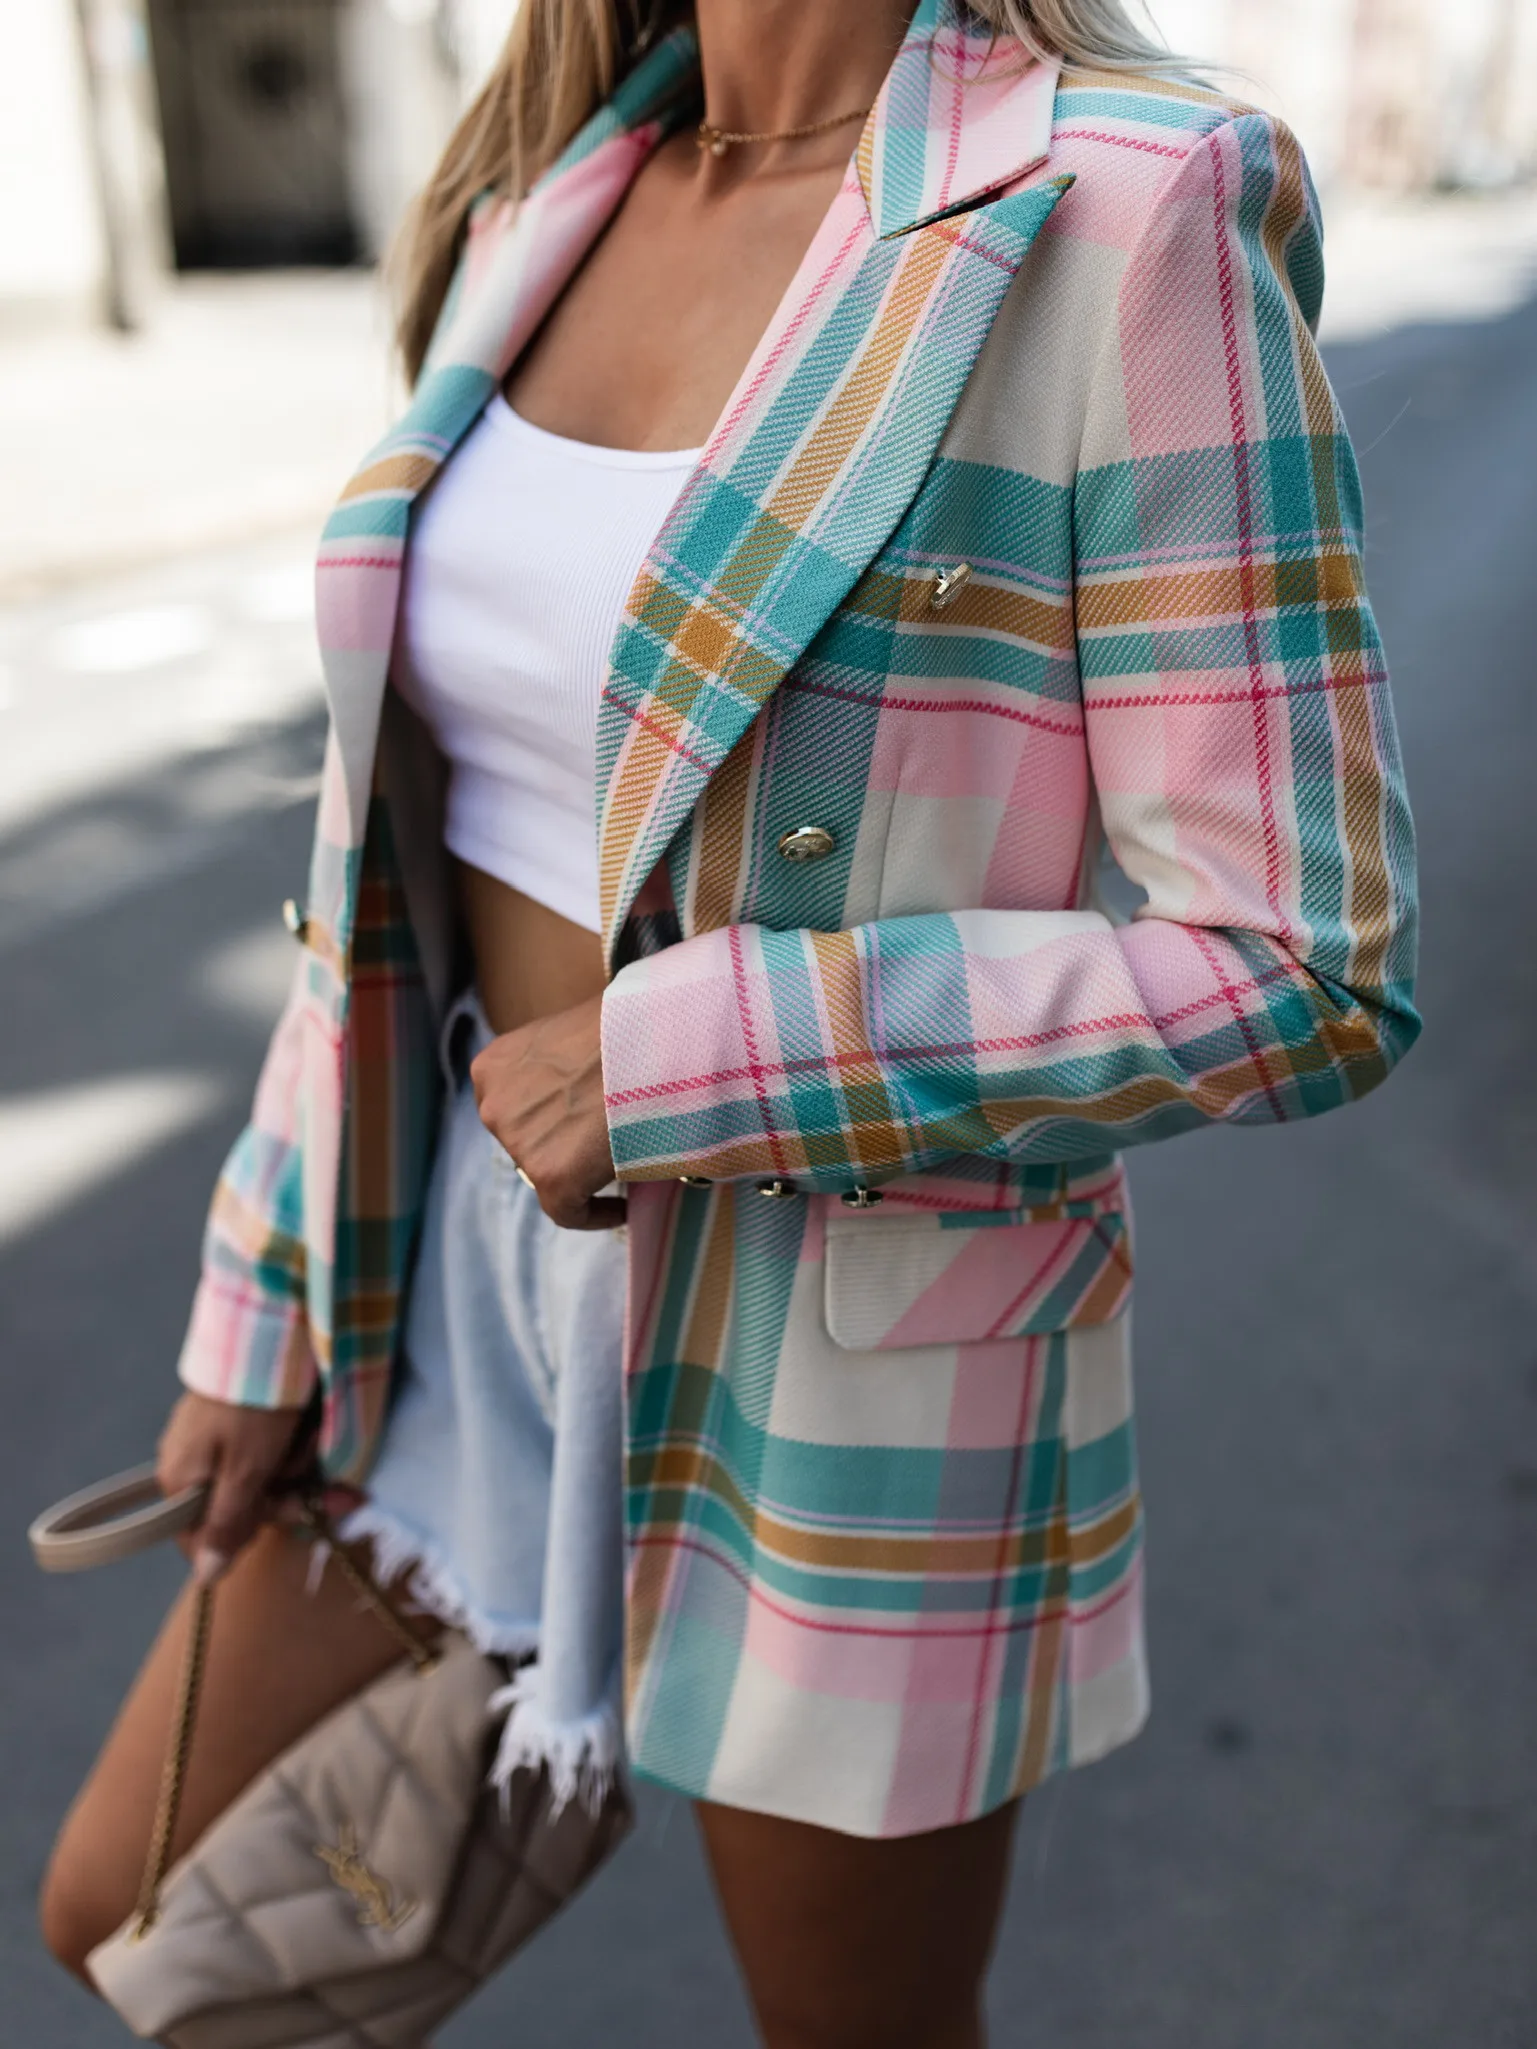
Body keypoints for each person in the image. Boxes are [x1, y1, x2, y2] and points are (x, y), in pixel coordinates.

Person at [40, 1, 1420, 2041]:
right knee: (147, 1923)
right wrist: (262, 1292)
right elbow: (385, 855)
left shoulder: (1132, 204)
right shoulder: (540, 197)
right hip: (443, 1284)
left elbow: (1308, 961)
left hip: (846, 1341)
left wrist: (693, 1057)